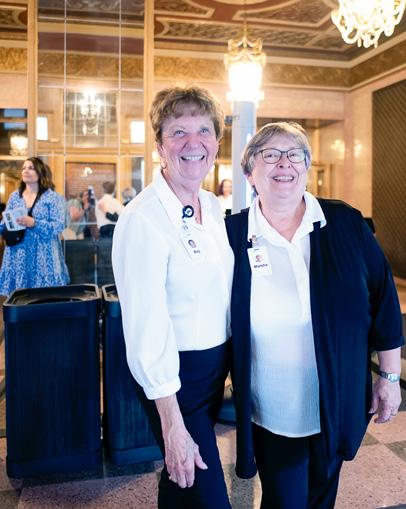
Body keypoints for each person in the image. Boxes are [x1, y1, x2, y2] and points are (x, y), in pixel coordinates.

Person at [225, 122, 405, 509]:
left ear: (307, 167)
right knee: (285, 500)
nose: (284, 163)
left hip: (337, 400)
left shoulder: (344, 223)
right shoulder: (232, 235)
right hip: (270, 408)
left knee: (322, 498)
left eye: (295, 155)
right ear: (249, 172)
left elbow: (384, 299)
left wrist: (390, 377)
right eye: (270, 155)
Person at [112, 85, 234, 509]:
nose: (192, 142)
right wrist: (171, 421)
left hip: (213, 370)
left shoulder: (213, 208)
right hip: (174, 377)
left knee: (181, 481)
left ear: (216, 143)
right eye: (178, 131)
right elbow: (146, 323)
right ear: (160, 146)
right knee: (203, 487)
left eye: (204, 130)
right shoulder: (143, 218)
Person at [0, 157, 69, 295]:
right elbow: (5, 221)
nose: (26, 171)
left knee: (44, 297)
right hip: (18, 253)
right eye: (24, 168)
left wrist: (34, 223)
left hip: (43, 254)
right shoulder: (15, 196)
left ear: (40, 172)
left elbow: (59, 225)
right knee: (20, 297)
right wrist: (4, 225)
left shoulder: (53, 198)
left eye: (31, 168)